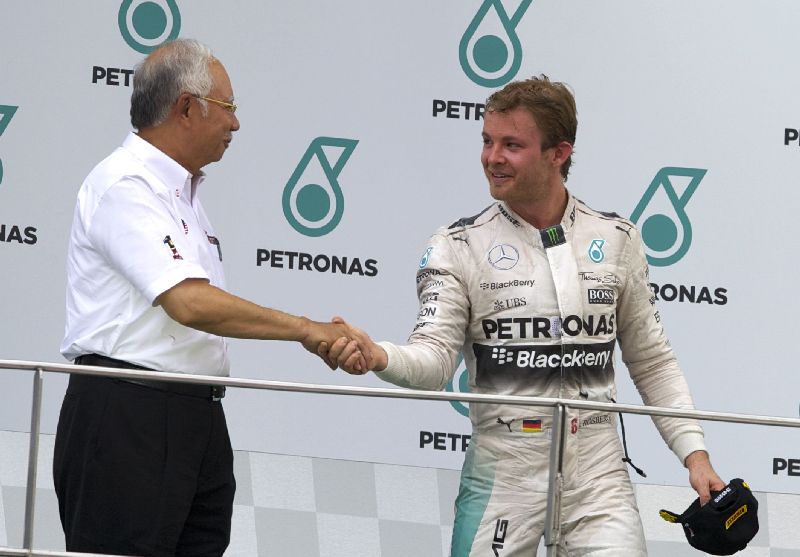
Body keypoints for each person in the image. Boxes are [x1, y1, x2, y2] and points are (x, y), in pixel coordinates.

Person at [323, 75, 724, 555]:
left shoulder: (617, 238)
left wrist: (694, 456)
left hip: (599, 478)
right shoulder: (456, 246)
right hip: (501, 475)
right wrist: (379, 356)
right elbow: (433, 362)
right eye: (487, 141)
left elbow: (653, 361)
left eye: (511, 144)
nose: (492, 157)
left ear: (559, 153)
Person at [54, 38, 367, 557]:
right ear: (185, 107)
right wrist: (308, 329)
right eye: (228, 108)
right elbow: (189, 303)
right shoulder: (126, 185)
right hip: (129, 412)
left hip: (194, 414)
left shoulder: (183, 194)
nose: (236, 124)